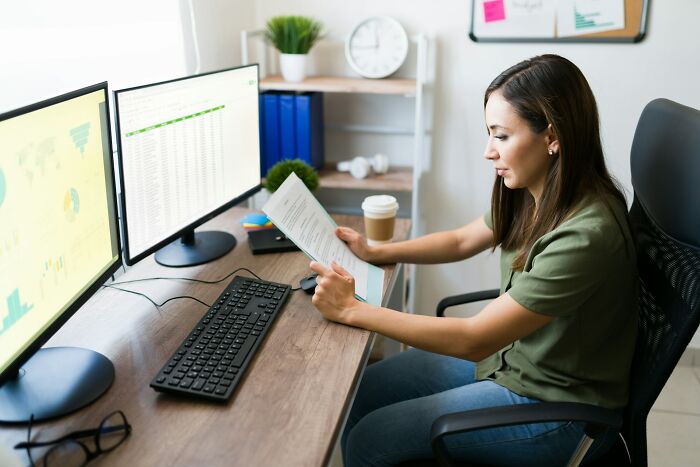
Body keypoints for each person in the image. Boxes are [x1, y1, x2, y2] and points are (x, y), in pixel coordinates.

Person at [309, 54, 637, 467]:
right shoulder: (537, 191)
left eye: (500, 136)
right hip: (511, 362)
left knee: (371, 440)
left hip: (555, 409)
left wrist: (352, 311)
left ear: (552, 136)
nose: (488, 152)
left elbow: (474, 339)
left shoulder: (586, 234)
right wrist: (378, 251)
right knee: (364, 388)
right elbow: (463, 239)